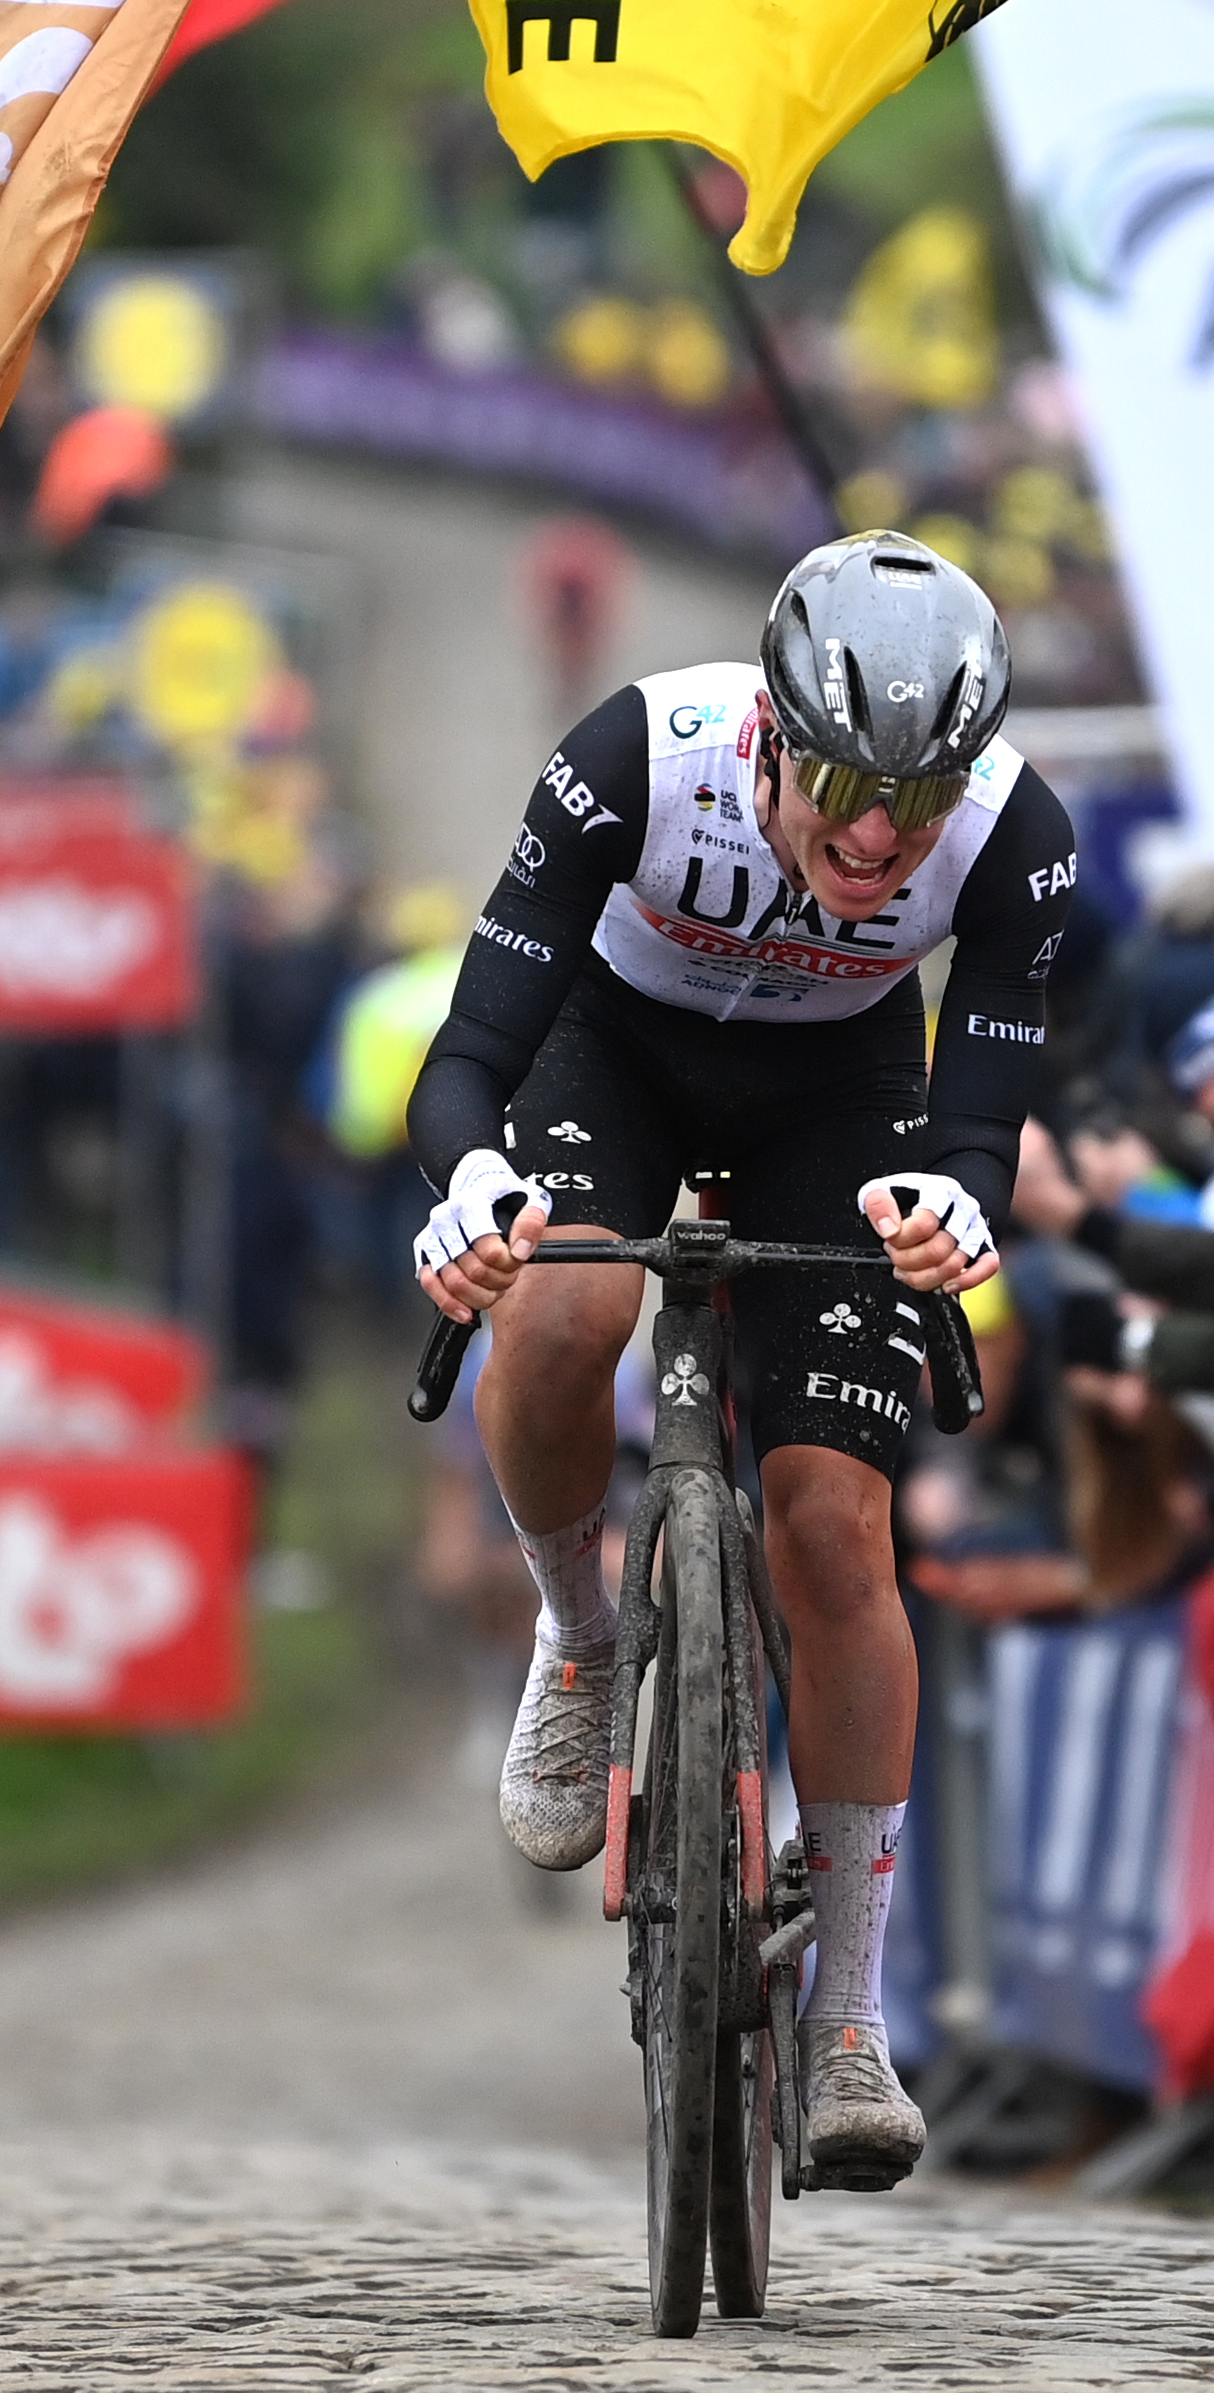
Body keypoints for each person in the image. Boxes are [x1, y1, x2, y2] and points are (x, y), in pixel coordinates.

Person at [406, 531, 1077, 2189]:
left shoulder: (1016, 837)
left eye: (912, 804)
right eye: (844, 779)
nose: (873, 833)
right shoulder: (639, 755)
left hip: (836, 1091)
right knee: (564, 1309)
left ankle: (847, 2016)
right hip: (613, 1048)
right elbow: (471, 1054)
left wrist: (956, 1213)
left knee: (839, 1529)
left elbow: (980, 1123)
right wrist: (477, 1191)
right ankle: (577, 1640)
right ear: (773, 734)